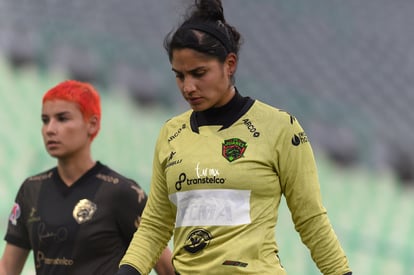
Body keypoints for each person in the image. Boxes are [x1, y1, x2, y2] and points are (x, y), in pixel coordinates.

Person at [117, 0, 352, 274]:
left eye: (199, 73)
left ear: (230, 64)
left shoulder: (279, 127)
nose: (188, 87)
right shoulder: (171, 133)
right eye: (179, 76)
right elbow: (155, 226)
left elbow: (310, 220)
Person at [0, 80, 175, 275]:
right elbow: (7, 268)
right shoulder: (31, 190)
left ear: (92, 124)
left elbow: (166, 268)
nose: (50, 129)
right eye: (45, 120)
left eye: (62, 118)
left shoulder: (122, 192)